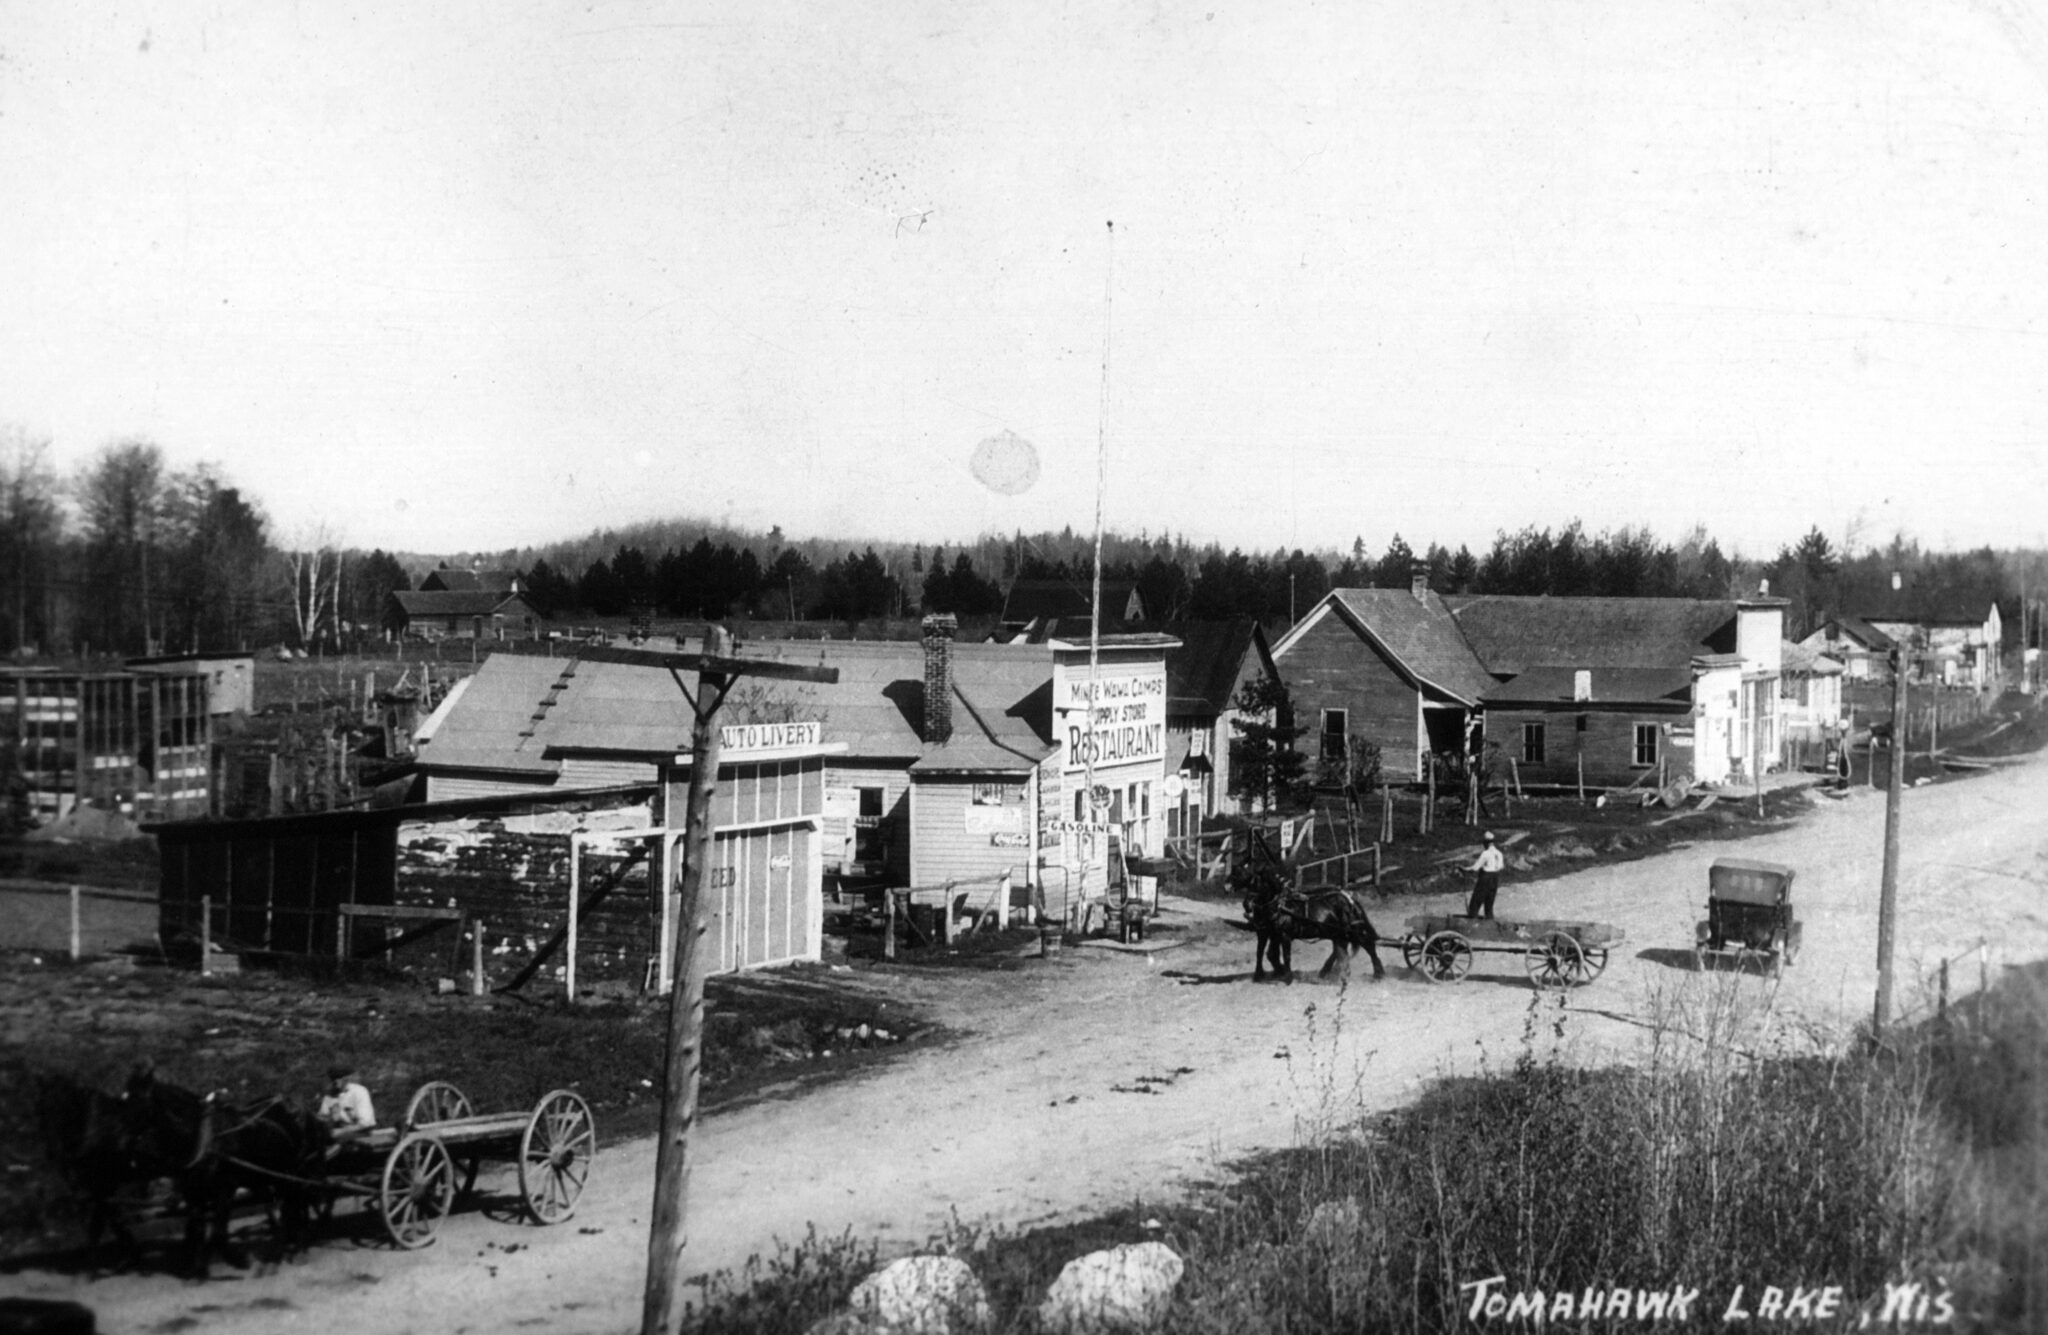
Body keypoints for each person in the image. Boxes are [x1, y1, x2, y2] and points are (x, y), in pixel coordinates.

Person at [316, 1065, 376, 1139]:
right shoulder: (329, 1096)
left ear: (343, 1079)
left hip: (360, 1133)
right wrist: (330, 1118)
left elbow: (366, 1123)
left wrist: (342, 1131)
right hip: (338, 1133)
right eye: (330, 1080)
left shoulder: (359, 1092)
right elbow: (322, 1118)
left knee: (336, 1141)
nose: (332, 1082)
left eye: (336, 1078)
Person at [1465, 831, 1504, 919]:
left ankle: (1471, 923)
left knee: (1475, 903)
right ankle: (1489, 924)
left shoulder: (1485, 853)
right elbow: (1501, 866)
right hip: (1495, 879)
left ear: (1486, 843)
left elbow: (1475, 867)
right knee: (1489, 904)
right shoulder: (1499, 854)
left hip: (1485, 878)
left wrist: (1465, 870)